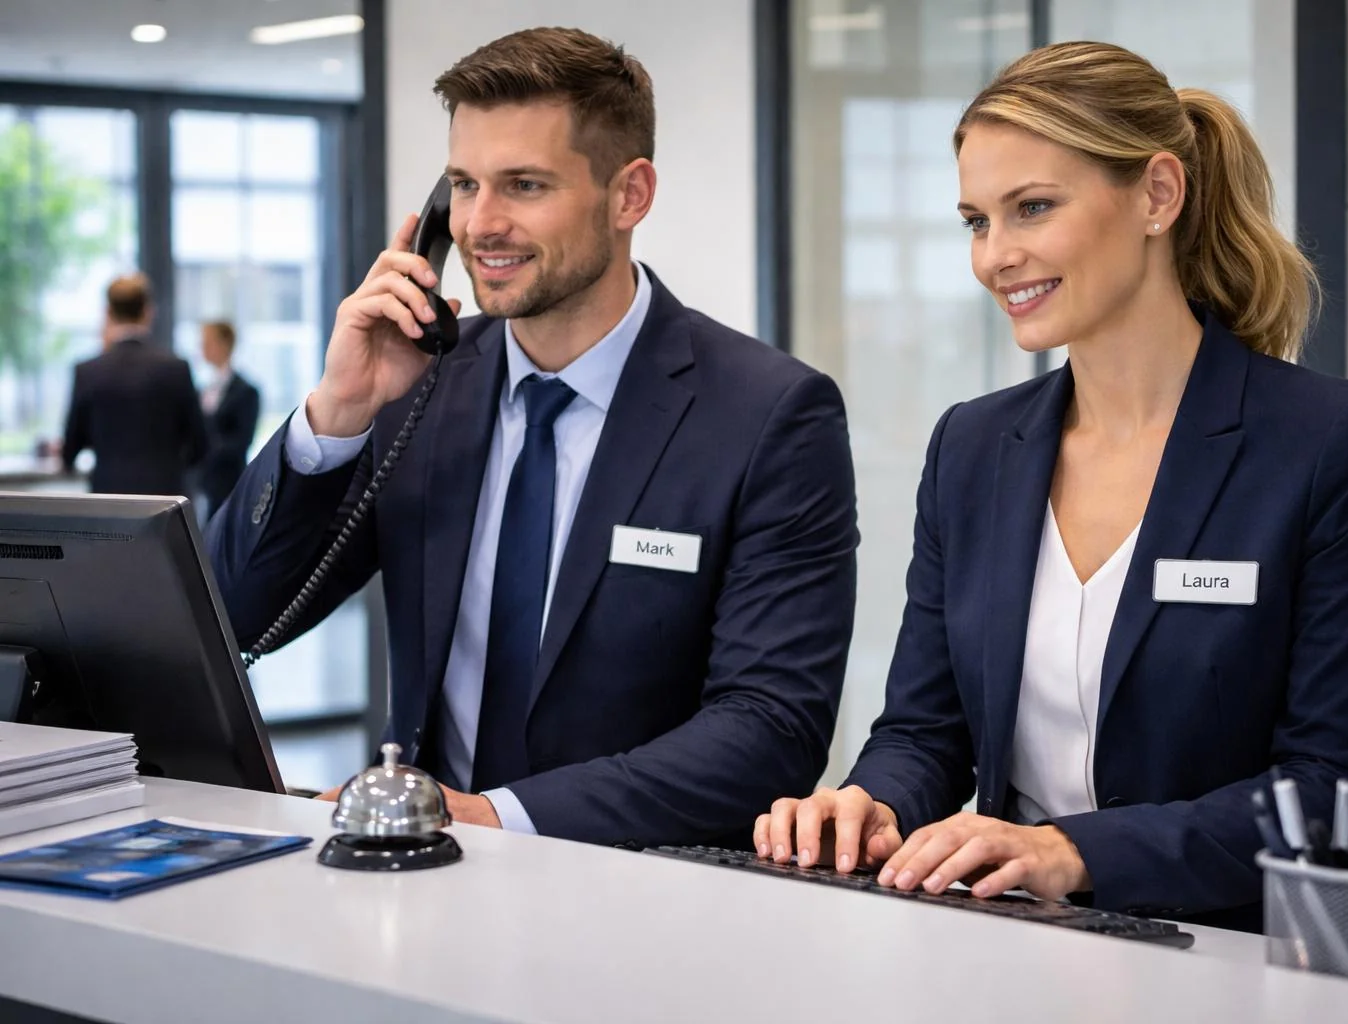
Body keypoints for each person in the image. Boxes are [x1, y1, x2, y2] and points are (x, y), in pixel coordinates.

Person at [756, 41, 1348, 931]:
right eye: (976, 222)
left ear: (1157, 195)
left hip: (1233, 959)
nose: (996, 256)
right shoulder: (972, 446)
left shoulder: (1337, 443)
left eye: (1032, 208)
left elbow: (1333, 790)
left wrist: (1075, 851)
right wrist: (872, 803)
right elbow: (925, 731)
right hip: (1013, 943)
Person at [205, 27, 858, 847]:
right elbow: (232, 617)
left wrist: (493, 816)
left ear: (630, 195)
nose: (481, 225)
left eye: (524, 185)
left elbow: (771, 728)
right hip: (419, 878)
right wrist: (337, 412)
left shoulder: (769, 414)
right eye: (464, 185)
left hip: (644, 886)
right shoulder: (418, 386)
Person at [62, 273, 208, 495]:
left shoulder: (88, 371)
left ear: (108, 312)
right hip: (165, 498)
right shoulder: (177, 369)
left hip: (108, 497)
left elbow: (70, 450)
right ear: (148, 311)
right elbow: (200, 445)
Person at [195, 320, 261, 517]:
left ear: (224, 345)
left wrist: (207, 450)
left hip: (228, 481)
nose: (203, 349)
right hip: (204, 479)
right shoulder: (205, 388)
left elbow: (242, 440)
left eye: (208, 343)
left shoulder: (245, 391)